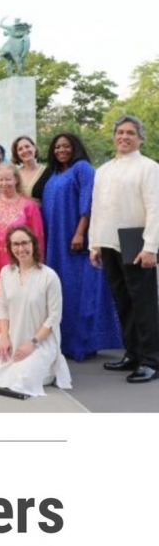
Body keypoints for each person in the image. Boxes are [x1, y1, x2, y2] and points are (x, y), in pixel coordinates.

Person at [89, 115, 159, 384]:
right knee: (123, 302)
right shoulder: (103, 170)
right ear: (114, 137)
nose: (124, 137)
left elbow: (155, 208)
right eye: (120, 132)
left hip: (136, 241)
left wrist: (151, 246)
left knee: (143, 303)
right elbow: (97, 209)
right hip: (108, 242)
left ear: (140, 139)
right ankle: (132, 354)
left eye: (130, 133)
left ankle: (151, 360)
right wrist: (94, 244)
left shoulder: (149, 168)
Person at [42, 132, 122, 362]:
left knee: (80, 292)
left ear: (75, 147)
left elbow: (89, 202)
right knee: (62, 292)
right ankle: (64, 343)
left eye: (66, 146)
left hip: (75, 242)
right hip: (56, 242)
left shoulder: (82, 168)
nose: (61, 150)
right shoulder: (55, 173)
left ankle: (83, 344)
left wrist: (79, 232)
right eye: (57, 147)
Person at [0, 226, 72, 396]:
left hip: (40, 342)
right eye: (16, 244)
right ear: (10, 248)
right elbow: (2, 307)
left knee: (21, 381)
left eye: (25, 243)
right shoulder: (6, 272)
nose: (21, 249)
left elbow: (54, 317)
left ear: (33, 244)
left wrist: (32, 344)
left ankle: (48, 369)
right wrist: (4, 338)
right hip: (11, 338)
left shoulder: (49, 276)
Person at [0, 163, 45, 271]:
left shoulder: (29, 206)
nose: (4, 183)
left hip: (20, 262)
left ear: (16, 179)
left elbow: (37, 236)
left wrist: (37, 262)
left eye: (8, 179)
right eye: (1, 180)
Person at [11, 135, 48, 204]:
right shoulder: (14, 174)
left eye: (27, 146)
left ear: (34, 148)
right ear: (17, 154)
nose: (25, 150)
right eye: (20, 149)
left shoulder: (49, 172)